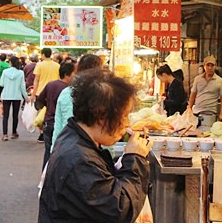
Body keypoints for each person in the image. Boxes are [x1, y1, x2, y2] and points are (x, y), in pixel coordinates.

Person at [39, 69, 152, 222]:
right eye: (124, 115)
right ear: (101, 116)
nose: (126, 124)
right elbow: (120, 209)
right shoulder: (78, 160)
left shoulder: (76, 138)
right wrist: (135, 158)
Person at [51, 53, 103, 147]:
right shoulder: (101, 94)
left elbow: (58, 126)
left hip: (65, 145)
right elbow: (104, 128)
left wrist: (54, 150)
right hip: (89, 149)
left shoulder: (66, 92)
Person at [37, 62, 75, 168]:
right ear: (67, 74)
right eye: (74, 73)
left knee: (48, 152)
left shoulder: (51, 84)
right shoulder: (70, 90)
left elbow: (40, 100)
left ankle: (45, 178)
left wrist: (48, 105)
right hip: (60, 123)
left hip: (48, 122)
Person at [187, 55, 222, 127]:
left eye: (212, 65)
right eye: (208, 65)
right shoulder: (197, 79)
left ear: (215, 66)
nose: (210, 68)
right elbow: (193, 94)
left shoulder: (220, 81)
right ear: (204, 66)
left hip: (210, 113)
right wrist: (189, 107)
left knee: (207, 133)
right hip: (196, 112)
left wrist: (221, 114)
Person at [32, 48, 61, 142]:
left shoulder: (39, 65)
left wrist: (33, 94)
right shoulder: (57, 65)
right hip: (54, 92)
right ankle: (52, 131)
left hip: (41, 92)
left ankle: (42, 133)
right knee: (53, 112)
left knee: (41, 113)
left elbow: (36, 80)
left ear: (43, 54)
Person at [0, 55, 29, 141]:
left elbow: (1, 84)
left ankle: (5, 134)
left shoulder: (5, 72)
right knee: (15, 115)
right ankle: (14, 132)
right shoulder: (20, 73)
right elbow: (23, 86)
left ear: (10, 63)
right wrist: (26, 97)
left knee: (6, 116)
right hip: (17, 96)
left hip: (6, 95)